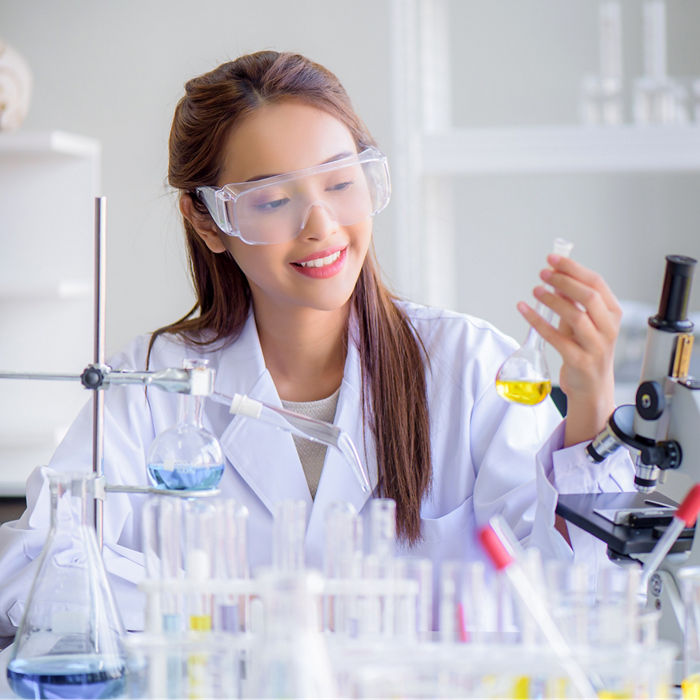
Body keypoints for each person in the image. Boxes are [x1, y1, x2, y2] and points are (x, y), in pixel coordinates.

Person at [0, 50, 632, 635]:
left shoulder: (469, 367)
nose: (321, 227)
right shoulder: (150, 386)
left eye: (339, 183)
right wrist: (251, 607)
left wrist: (590, 409)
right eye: (273, 199)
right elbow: (32, 574)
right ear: (208, 221)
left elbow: (584, 602)